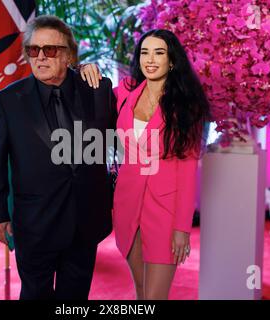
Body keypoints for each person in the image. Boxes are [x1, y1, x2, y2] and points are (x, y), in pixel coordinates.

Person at [0, 15, 116, 300]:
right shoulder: (8, 100)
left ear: (68, 54)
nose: (40, 57)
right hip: (35, 222)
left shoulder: (97, 89)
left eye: (51, 50)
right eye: (33, 50)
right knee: (34, 294)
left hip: (85, 220)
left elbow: (122, 134)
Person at [80, 29, 210, 299]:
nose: (150, 59)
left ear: (171, 61)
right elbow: (89, 91)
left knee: (154, 297)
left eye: (159, 52)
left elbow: (187, 172)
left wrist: (181, 229)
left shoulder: (187, 106)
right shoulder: (126, 91)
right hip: (128, 201)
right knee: (140, 290)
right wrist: (84, 67)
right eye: (145, 52)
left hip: (166, 209)